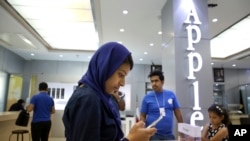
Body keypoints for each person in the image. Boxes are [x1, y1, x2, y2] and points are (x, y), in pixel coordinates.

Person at [62, 42, 156, 141]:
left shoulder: (102, 97)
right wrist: (131, 139)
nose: (123, 83)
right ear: (105, 68)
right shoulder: (88, 99)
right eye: (120, 75)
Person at [140, 70, 183, 140]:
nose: (154, 83)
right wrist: (143, 130)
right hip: (153, 135)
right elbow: (142, 115)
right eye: (152, 81)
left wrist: (182, 131)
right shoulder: (147, 98)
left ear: (162, 82)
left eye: (156, 81)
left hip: (169, 135)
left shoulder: (171, 95)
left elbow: (178, 114)